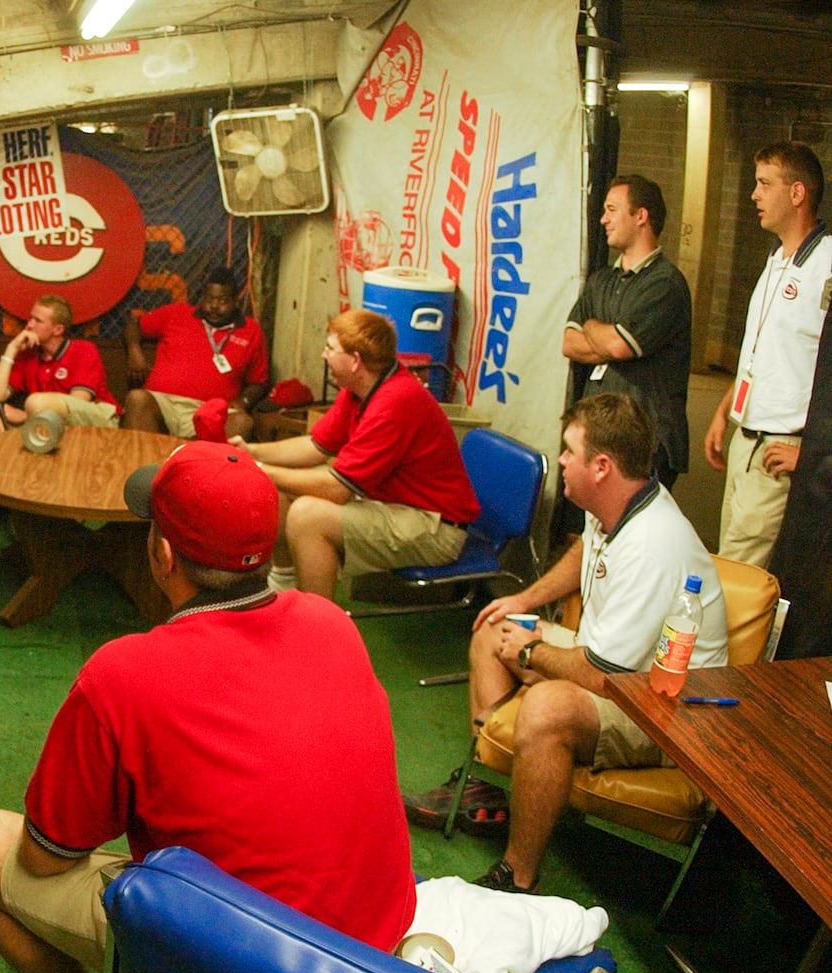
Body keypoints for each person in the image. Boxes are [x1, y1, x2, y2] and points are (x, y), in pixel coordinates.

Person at [0, 441, 416, 973]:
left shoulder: (123, 673)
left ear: (163, 555)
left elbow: (44, 860)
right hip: (376, 957)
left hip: (258, 968)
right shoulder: (330, 621)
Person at [405, 393, 728, 893]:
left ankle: (518, 875)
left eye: (569, 451)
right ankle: (491, 793)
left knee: (549, 706)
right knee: (495, 626)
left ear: (601, 466)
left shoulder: (654, 543)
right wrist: (525, 599)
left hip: (665, 710)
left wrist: (532, 653)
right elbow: (585, 550)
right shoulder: (613, 503)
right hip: (619, 664)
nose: (560, 460)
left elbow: (606, 677)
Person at [237, 309, 478, 600]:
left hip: (435, 527)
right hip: (395, 507)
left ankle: (319, 630)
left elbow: (337, 490)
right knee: (282, 490)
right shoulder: (360, 389)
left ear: (354, 361)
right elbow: (315, 447)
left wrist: (259, 468)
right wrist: (250, 451)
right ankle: (282, 587)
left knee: (307, 515)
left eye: (330, 348)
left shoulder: (395, 401)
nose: (324, 355)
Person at [704, 141, 830, 568]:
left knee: (740, 578)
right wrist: (726, 410)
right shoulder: (776, 257)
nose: (754, 195)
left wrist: (811, 452)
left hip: (781, 447)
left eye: (764, 184)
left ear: (797, 193)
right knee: (731, 560)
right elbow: (764, 352)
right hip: (748, 436)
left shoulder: (826, 262)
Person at [561, 174, 692, 491]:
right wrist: (606, 336)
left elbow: (619, 346)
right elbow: (569, 343)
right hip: (599, 435)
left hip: (644, 444)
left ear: (641, 216)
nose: (603, 219)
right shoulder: (601, 281)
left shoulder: (665, 285)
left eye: (611, 210)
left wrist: (592, 326)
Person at [121, 266, 269, 439]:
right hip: (163, 403)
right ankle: (143, 464)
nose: (214, 306)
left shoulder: (251, 330)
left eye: (222, 300)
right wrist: (134, 351)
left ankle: (192, 460)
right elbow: (133, 326)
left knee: (242, 423)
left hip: (212, 410)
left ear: (235, 302)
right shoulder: (177, 313)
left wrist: (243, 401)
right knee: (137, 398)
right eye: (209, 298)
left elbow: (258, 383)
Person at [0, 295, 120, 433]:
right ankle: (9, 442)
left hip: (96, 420)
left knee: (36, 402)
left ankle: (27, 433)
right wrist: (10, 350)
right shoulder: (27, 354)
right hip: (43, 422)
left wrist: (27, 415)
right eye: (30, 318)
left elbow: (78, 402)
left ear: (57, 330)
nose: (29, 325)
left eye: (37, 320)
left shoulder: (83, 350)